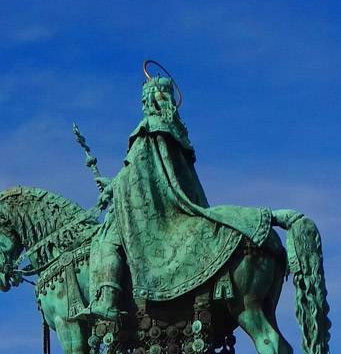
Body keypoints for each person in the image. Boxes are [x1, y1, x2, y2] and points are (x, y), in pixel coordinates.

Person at [86, 69, 266, 320]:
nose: (143, 106)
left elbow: (135, 173)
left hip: (152, 211)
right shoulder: (178, 132)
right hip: (174, 203)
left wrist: (113, 187)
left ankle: (108, 300)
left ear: (150, 100)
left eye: (144, 101)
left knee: (107, 239)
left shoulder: (148, 129)